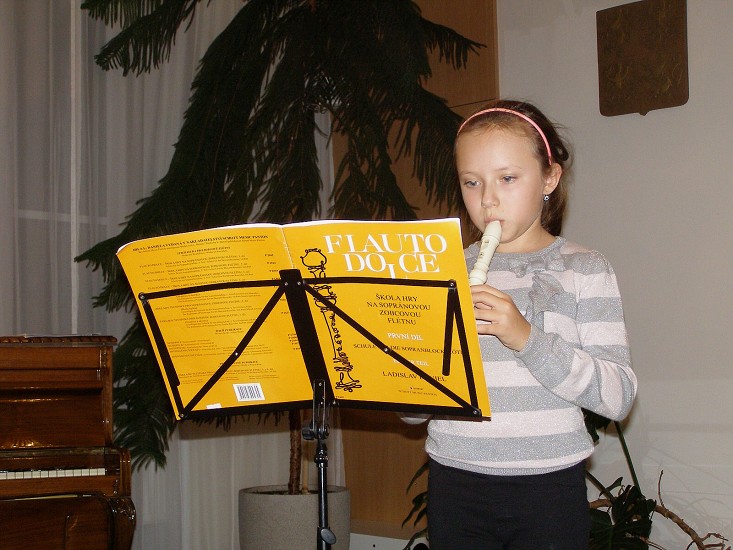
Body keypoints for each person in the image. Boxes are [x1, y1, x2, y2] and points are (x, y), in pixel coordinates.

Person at [424, 99, 637, 549]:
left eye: (507, 178)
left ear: (549, 178)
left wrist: (525, 337)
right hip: (454, 480)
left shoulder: (584, 269)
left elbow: (617, 395)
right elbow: (412, 408)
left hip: (549, 486)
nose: (487, 199)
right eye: (471, 182)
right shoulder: (443, 270)